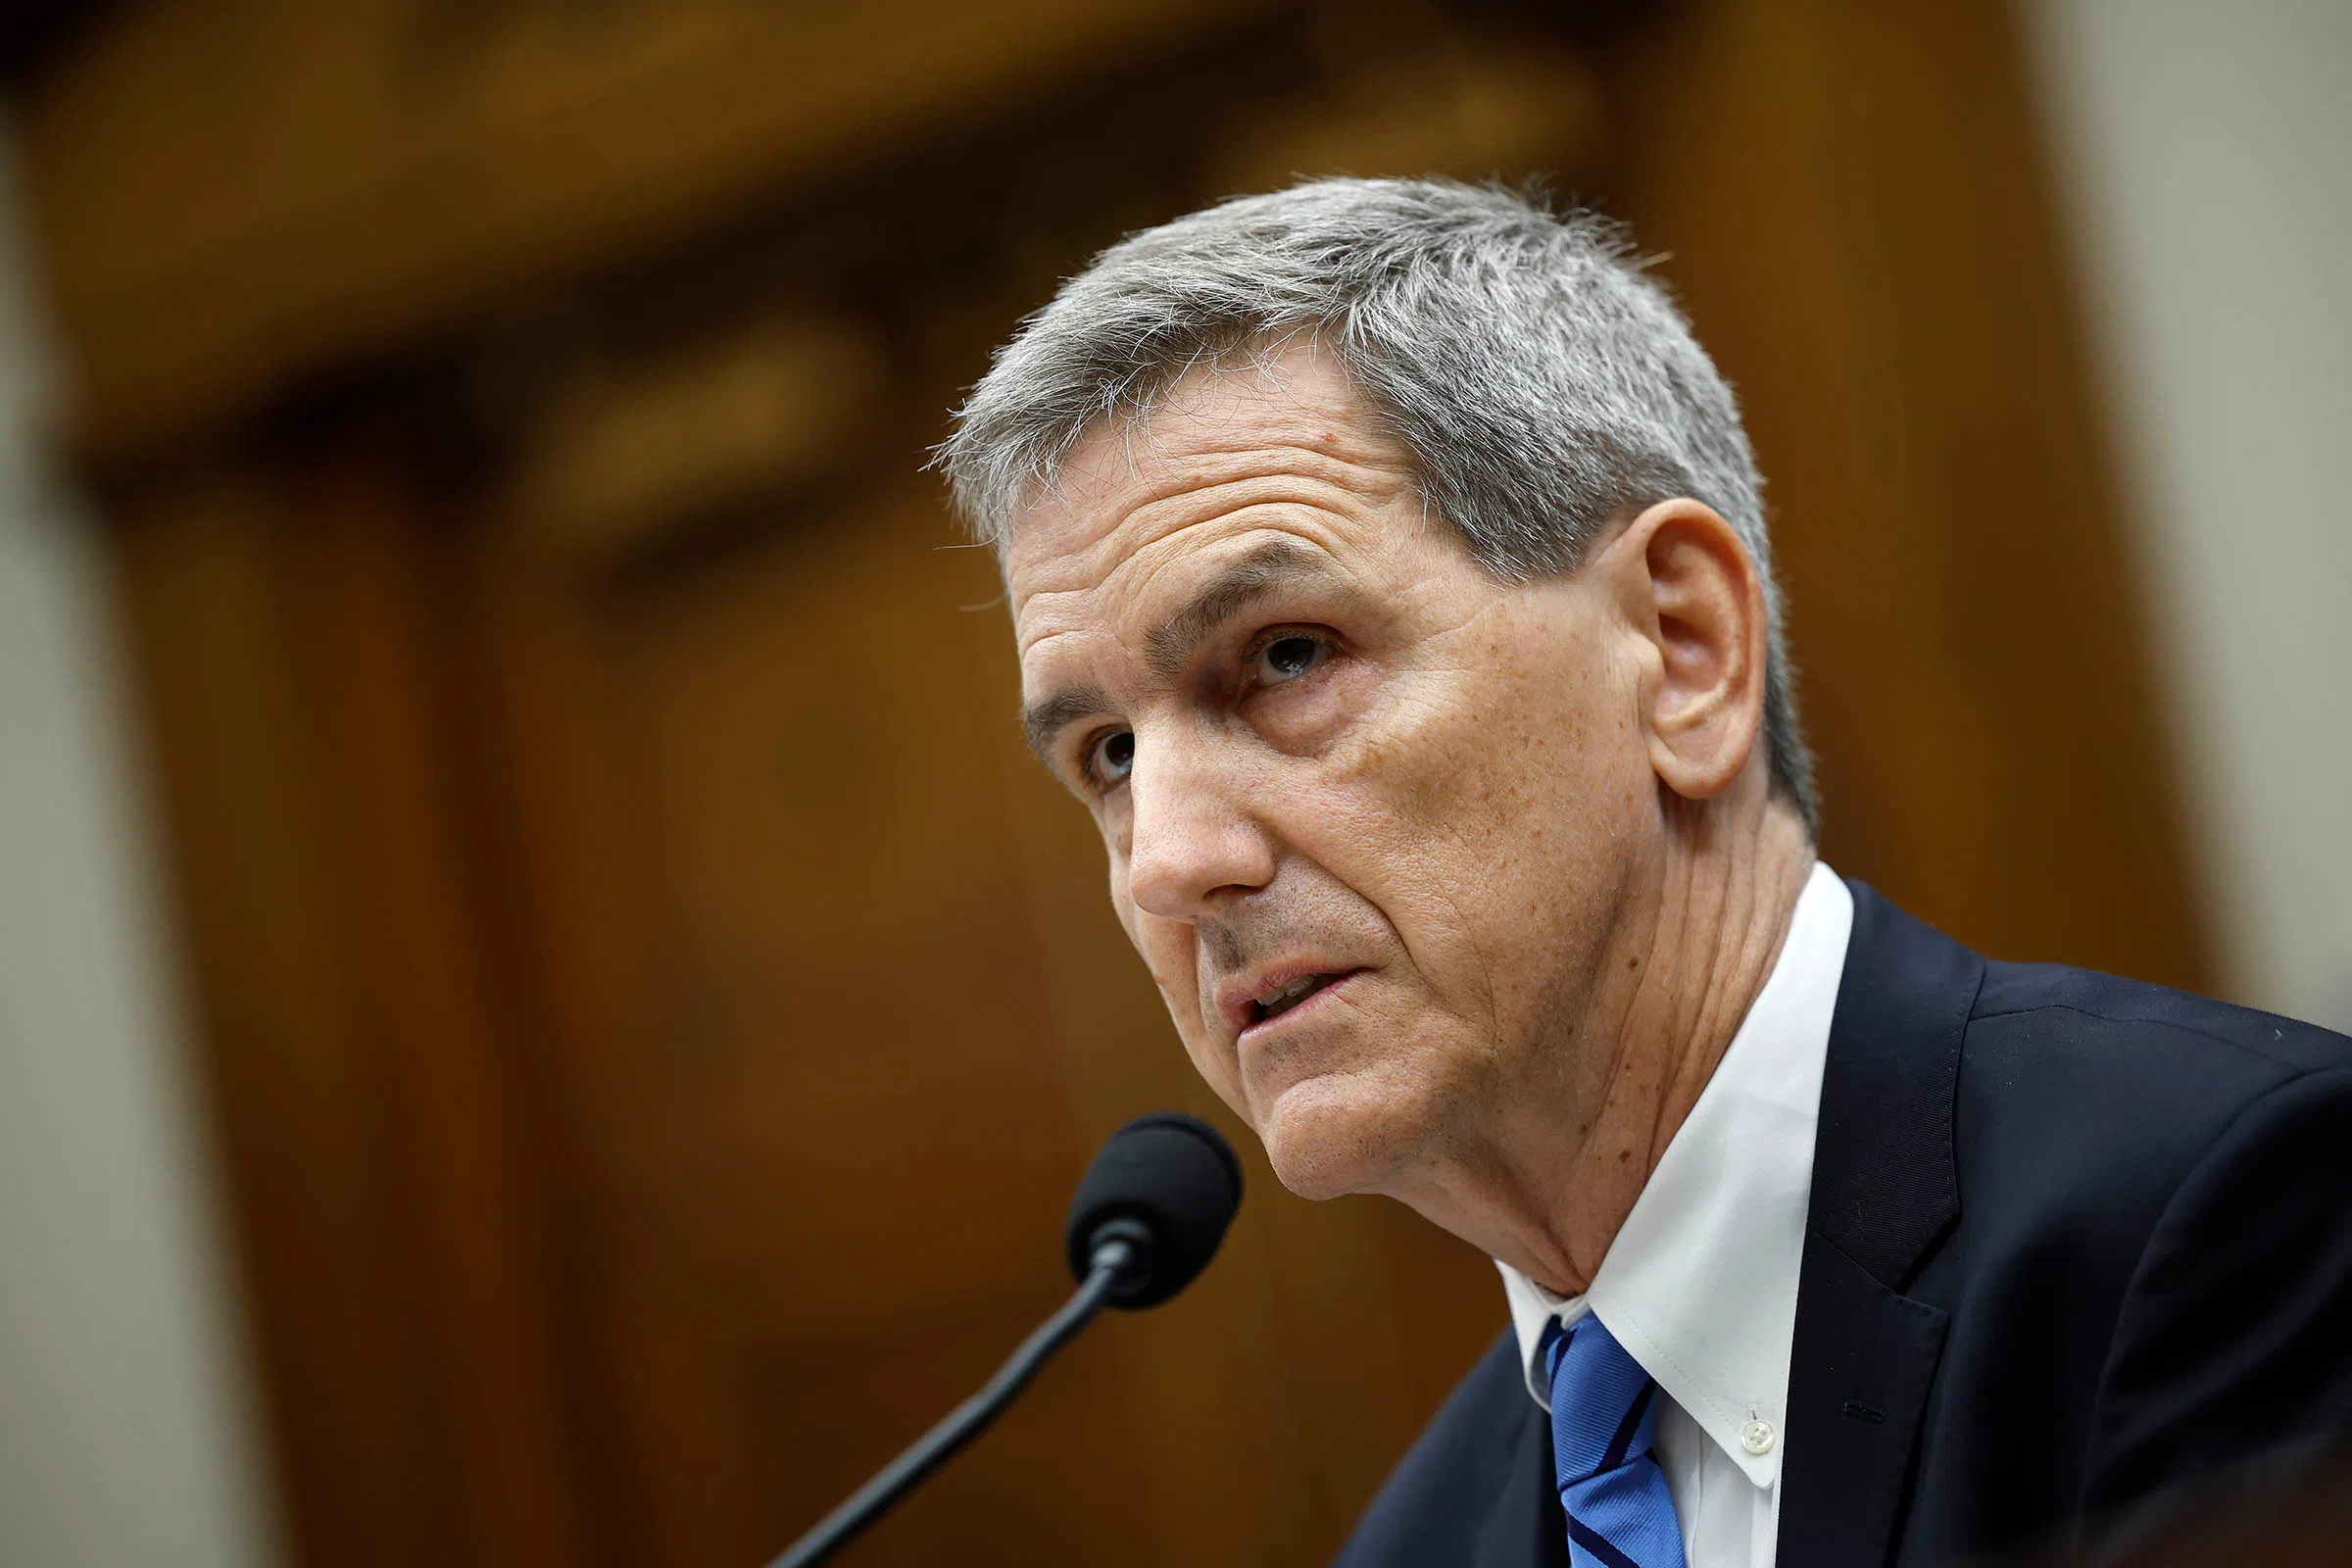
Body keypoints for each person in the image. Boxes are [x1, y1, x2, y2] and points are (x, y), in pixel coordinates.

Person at [937, 177, 2352, 1567]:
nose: (1173, 861)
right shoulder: (1411, 1548)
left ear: (1680, 649)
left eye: (1287, 657)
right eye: (1110, 755)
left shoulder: (2221, 1219)